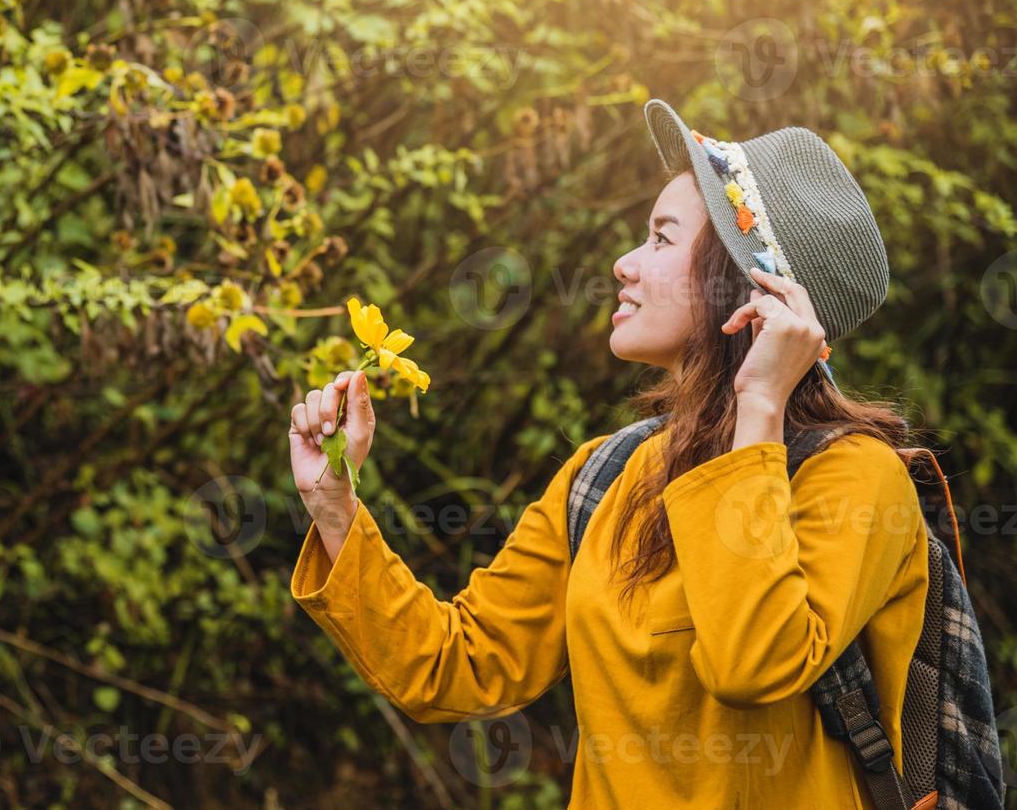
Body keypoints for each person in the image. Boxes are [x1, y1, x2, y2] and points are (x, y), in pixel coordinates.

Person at [287, 99, 930, 807]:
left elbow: (752, 665)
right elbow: (455, 665)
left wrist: (760, 407)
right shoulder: (606, 475)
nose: (623, 264)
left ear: (749, 286)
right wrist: (335, 507)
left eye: (660, 240)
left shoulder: (856, 479)